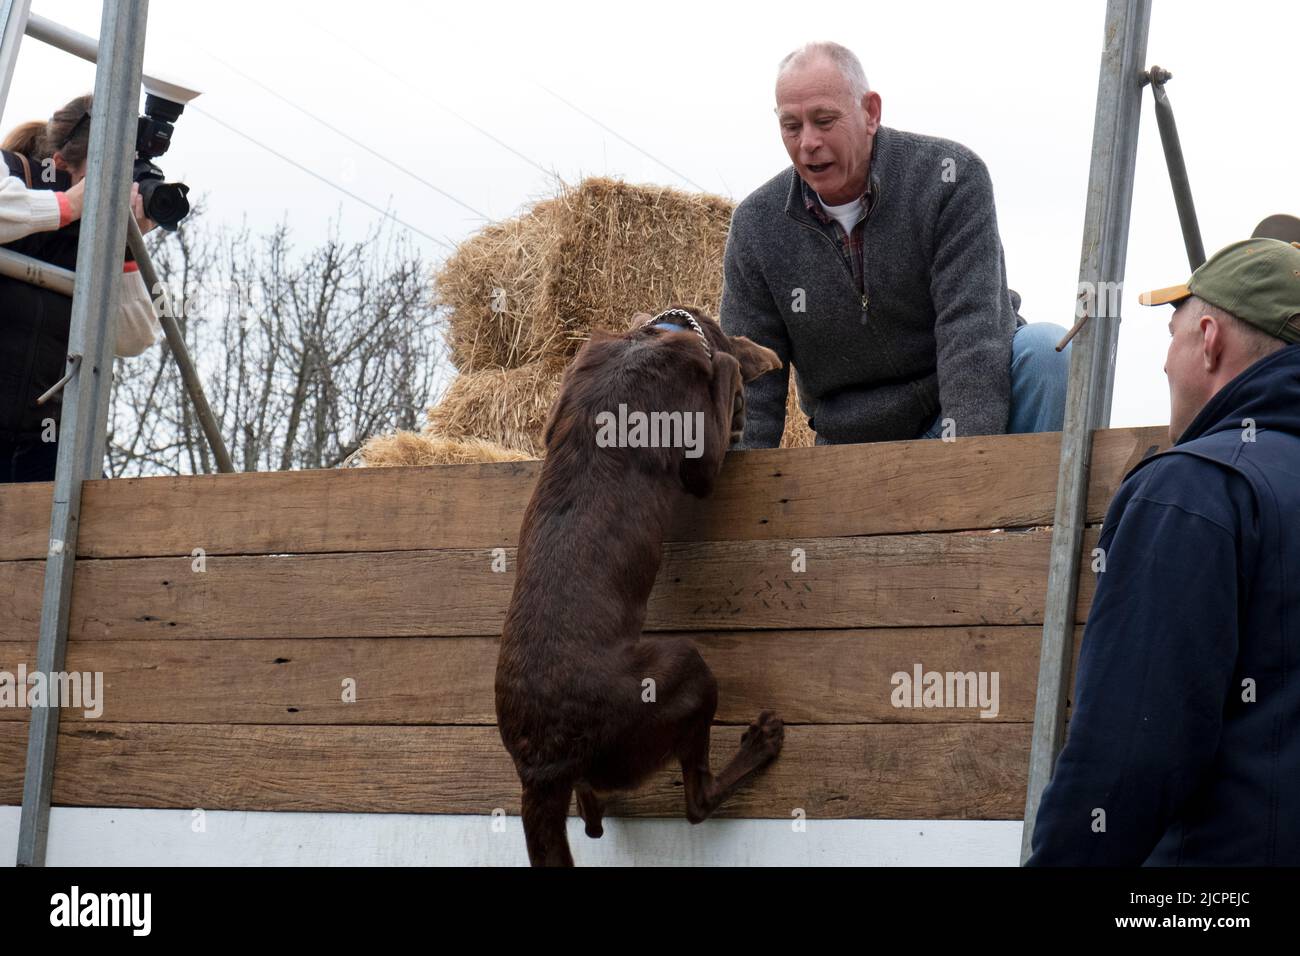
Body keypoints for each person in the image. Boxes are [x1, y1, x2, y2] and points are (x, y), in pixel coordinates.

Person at [1028, 238, 1300, 866]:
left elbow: (1129, 757)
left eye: (1172, 336)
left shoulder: (1194, 491)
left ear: (1209, 340)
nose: (1165, 365)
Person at [720, 41, 1069, 446]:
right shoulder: (757, 226)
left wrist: (969, 473)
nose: (808, 142)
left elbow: (970, 331)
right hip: (854, 443)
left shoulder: (949, 180)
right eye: (792, 126)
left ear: (870, 113)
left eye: (824, 120)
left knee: (1048, 353)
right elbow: (754, 382)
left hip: (958, 417)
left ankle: (1037, 509)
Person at [0, 93, 160, 483]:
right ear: (59, 163)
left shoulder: (93, 236)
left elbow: (134, 338)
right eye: (106, 173)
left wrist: (125, 246)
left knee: (84, 526)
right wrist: (68, 205)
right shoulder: (10, 171)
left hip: (40, 438)